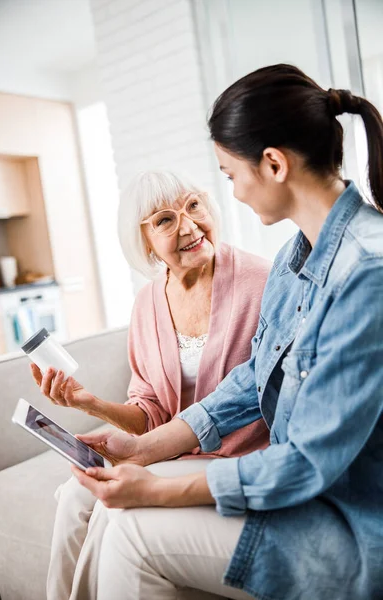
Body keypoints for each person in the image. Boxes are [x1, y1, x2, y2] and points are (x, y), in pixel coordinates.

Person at [72, 64, 383, 600]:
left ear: (273, 164)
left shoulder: (368, 275)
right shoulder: (296, 257)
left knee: (131, 530)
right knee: (85, 500)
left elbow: (309, 461)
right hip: (297, 492)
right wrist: (145, 449)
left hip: (341, 522)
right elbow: (249, 381)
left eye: (229, 175)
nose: (232, 195)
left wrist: (160, 493)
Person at [31, 171, 270, 600]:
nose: (189, 225)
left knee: (112, 508)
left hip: (238, 454)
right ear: (143, 241)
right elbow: (151, 413)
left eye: (193, 206)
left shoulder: (263, 281)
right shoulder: (147, 303)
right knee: (73, 497)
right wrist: (90, 403)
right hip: (172, 447)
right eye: (165, 219)